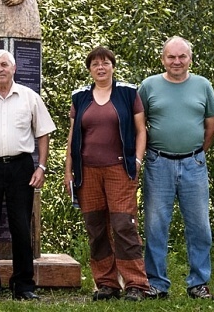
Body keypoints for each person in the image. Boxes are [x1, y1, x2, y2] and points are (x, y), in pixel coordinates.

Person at [0, 49, 56, 302]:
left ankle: (23, 286)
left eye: (4, 64)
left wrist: (42, 166)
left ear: (13, 68)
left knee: (21, 226)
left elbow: (43, 133)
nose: (0, 69)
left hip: (21, 167)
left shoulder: (29, 97)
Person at [64, 47, 150, 301]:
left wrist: (137, 159)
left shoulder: (127, 93)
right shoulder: (80, 97)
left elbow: (141, 130)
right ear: (89, 70)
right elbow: (72, 137)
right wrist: (68, 171)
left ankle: (135, 283)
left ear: (113, 66)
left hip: (120, 169)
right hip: (87, 172)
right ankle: (106, 283)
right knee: (96, 226)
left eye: (105, 63)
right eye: (95, 64)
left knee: (124, 225)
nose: (101, 67)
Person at [137, 36, 214, 300]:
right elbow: (139, 126)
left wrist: (196, 153)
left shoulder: (202, 85)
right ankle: (157, 284)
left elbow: (211, 124)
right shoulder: (149, 86)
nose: (177, 61)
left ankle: (198, 283)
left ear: (190, 59)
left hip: (193, 163)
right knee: (155, 226)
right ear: (163, 59)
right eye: (171, 57)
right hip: (158, 162)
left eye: (182, 56)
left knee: (199, 226)